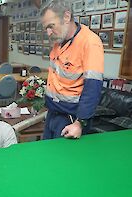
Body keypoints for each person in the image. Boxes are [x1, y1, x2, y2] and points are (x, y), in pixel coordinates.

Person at [40, 0, 104, 139]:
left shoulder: (90, 42)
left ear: (66, 17)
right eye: (46, 28)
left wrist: (79, 123)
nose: (48, 33)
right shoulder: (59, 40)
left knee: (61, 161)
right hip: (53, 114)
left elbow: (93, 87)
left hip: (71, 120)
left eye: (51, 26)